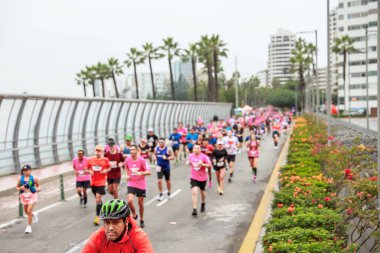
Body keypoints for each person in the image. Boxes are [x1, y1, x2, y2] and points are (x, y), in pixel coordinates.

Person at [82, 199, 154, 253]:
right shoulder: (97, 237)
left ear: (126, 221)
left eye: (115, 223)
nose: (110, 228)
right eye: (107, 223)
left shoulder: (139, 238)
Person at [125, 145, 151, 228]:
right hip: (131, 183)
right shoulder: (127, 160)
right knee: (129, 200)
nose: (132, 151)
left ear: (137, 151)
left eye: (133, 150)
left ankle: (142, 219)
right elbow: (126, 168)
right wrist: (127, 175)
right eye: (131, 150)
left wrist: (142, 173)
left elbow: (149, 172)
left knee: (140, 203)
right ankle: (134, 214)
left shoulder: (142, 160)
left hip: (141, 184)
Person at [85, 145, 111, 226]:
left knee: (98, 198)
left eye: (99, 151)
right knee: (98, 200)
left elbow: (109, 167)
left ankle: (97, 217)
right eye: (96, 150)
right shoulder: (90, 160)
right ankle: (104, 210)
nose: (98, 152)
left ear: (102, 152)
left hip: (101, 182)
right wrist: (89, 171)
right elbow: (86, 168)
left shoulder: (105, 160)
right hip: (93, 182)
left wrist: (105, 171)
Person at [187, 144, 212, 216]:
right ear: (193, 149)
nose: (196, 149)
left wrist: (203, 164)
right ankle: (194, 209)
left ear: (200, 150)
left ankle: (203, 202)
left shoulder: (204, 156)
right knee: (194, 192)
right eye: (195, 148)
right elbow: (188, 161)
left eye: (198, 148)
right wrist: (188, 163)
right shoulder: (191, 156)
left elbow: (210, 165)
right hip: (193, 177)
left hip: (202, 177)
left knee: (202, 192)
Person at [16, 164, 41, 234]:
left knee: (29, 210)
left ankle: (29, 227)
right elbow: (17, 187)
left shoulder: (34, 178)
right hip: (24, 196)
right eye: (24, 171)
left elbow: (39, 186)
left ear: (30, 170)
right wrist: (20, 188)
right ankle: (33, 214)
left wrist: (38, 189)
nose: (25, 172)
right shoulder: (20, 178)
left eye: (27, 170)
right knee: (27, 212)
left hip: (32, 195)